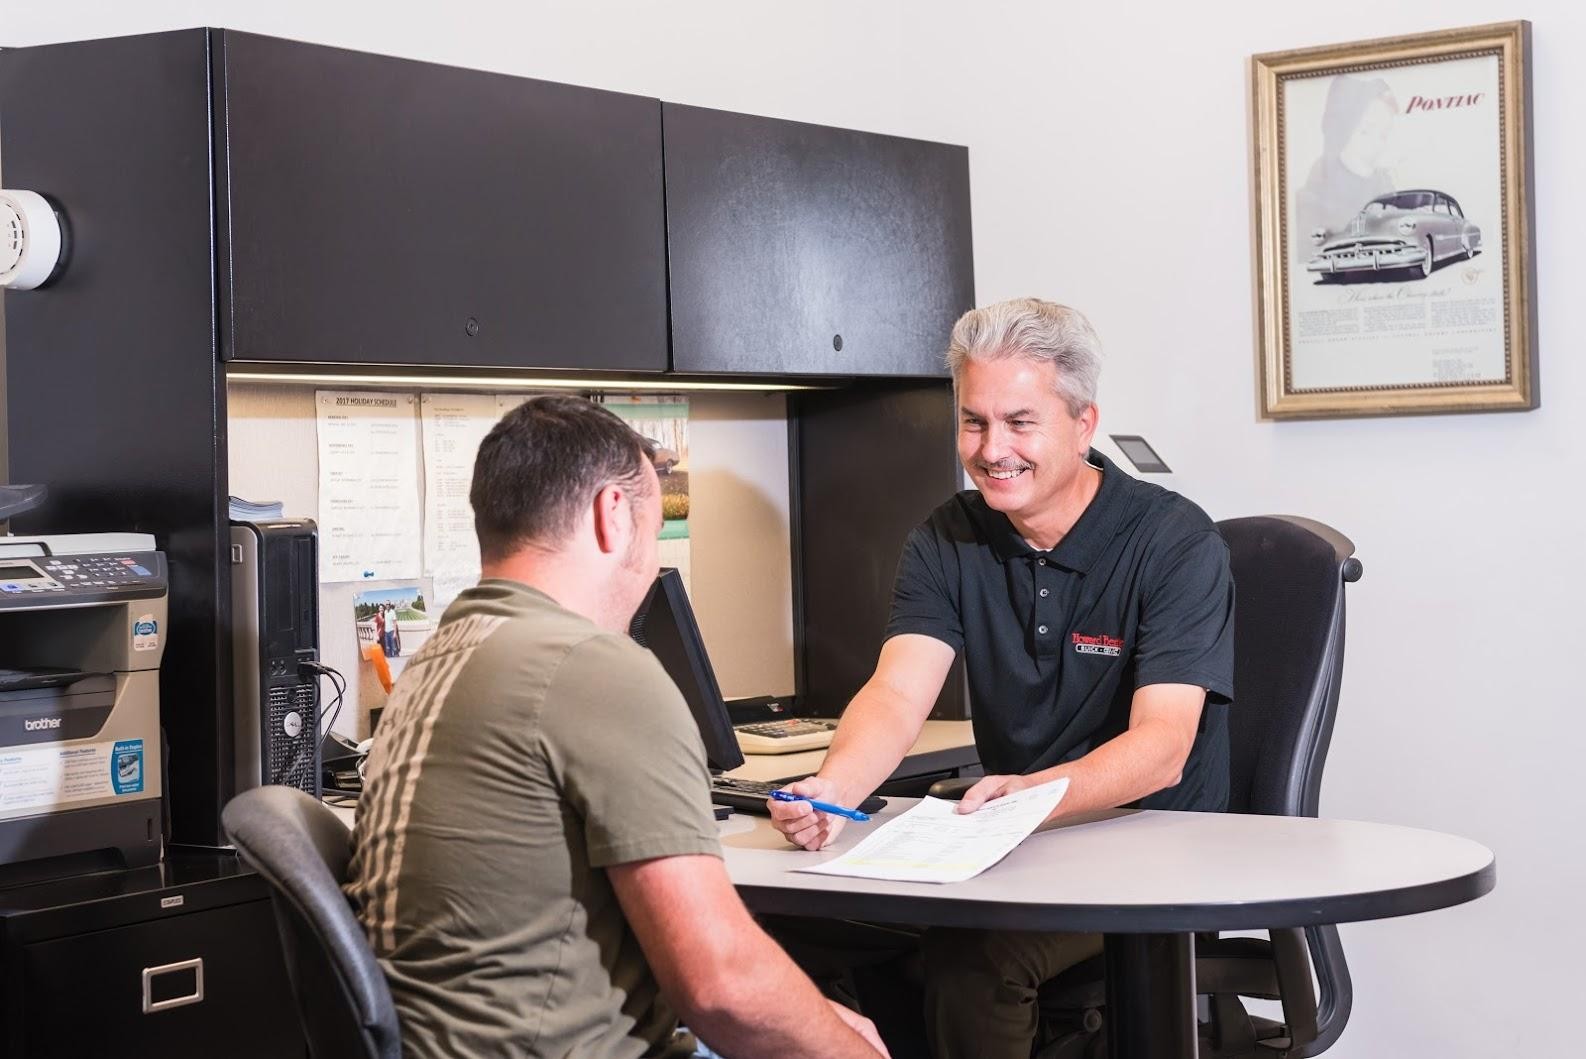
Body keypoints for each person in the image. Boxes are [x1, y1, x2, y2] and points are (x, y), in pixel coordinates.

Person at [345, 395, 887, 1059]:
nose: (649, 560)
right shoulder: (594, 667)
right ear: (613, 515)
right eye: (655, 532)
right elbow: (721, 986)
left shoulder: (438, 658)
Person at [768, 298, 1234, 1059]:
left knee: (973, 958)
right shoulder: (948, 535)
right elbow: (896, 693)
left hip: (1150, 856)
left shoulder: (1174, 541)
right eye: (974, 421)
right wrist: (835, 787)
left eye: (1020, 422)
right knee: (789, 922)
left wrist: (1036, 795)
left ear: (1083, 424)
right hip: (1012, 849)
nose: (992, 449)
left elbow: (1163, 746)